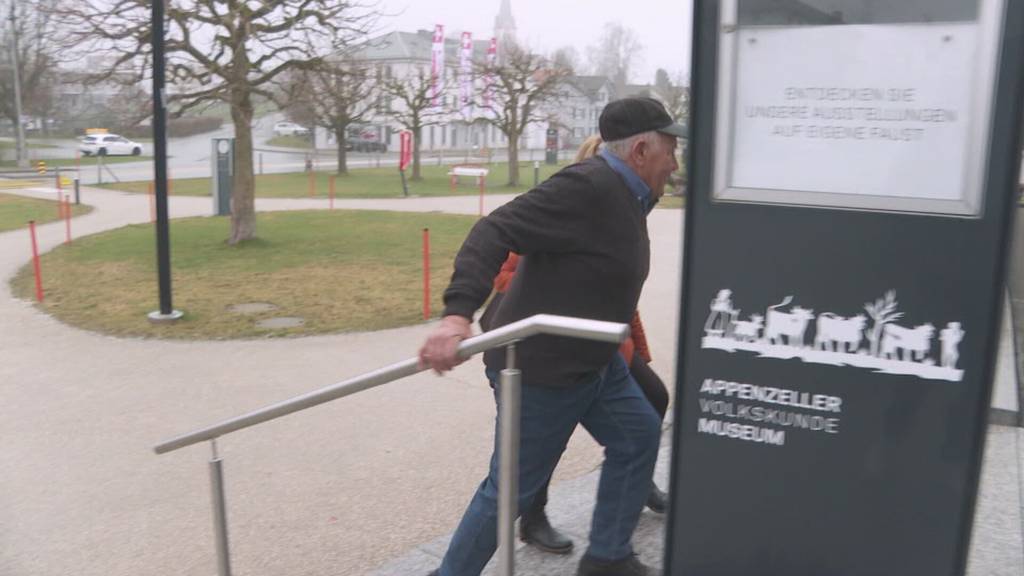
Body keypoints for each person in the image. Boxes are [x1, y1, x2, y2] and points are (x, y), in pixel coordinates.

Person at [420, 97, 683, 576]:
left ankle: (607, 556)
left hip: (594, 362)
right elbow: (493, 229)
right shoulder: (588, 187)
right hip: (541, 368)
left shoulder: (629, 193)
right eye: (670, 147)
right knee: (509, 492)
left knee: (639, 434)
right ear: (642, 149)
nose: (675, 161)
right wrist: (457, 315)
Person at [482, 136, 670, 557]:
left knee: (652, 402)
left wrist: (632, 339)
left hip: (604, 341)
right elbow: (508, 272)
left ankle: (630, 484)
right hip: (552, 342)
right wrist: (559, 291)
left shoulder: (627, 207)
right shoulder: (562, 204)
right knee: (542, 440)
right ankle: (533, 517)